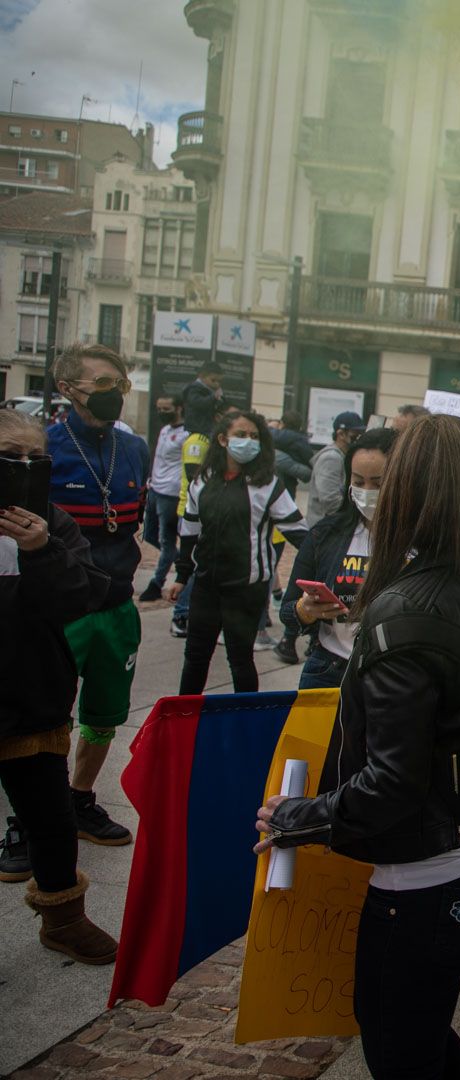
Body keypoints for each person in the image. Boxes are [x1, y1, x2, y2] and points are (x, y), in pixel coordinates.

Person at [256, 415, 460, 1080]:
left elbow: (393, 780)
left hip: (425, 878)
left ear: (409, 490)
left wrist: (298, 818)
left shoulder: (405, 608)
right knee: (424, 1035)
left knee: (401, 1048)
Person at [0, 410, 118, 964]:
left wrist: (41, 549)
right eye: (9, 456)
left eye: (33, 458)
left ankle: (63, 919)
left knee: (50, 820)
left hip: (33, 700)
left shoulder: (53, 523)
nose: (22, 467)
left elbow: (80, 596)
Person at [45, 343, 149, 846]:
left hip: (117, 606)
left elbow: (133, 522)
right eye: (104, 384)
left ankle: (80, 800)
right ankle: (30, 818)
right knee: (43, 718)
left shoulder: (133, 449)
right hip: (58, 611)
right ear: (68, 389)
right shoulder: (44, 449)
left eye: (121, 385)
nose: (115, 394)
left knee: (104, 714)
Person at [167, 410, 307, 694]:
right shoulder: (202, 480)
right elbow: (190, 532)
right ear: (222, 439)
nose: (248, 441)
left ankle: (246, 722)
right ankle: (184, 719)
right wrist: (182, 576)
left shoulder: (268, 484)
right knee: (195, 658)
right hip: (206, 585)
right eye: (241, 435)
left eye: (254, 436)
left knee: (241, 660)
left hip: (247, 588)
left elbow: (300, 534)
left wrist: (321, 568)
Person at [280, 428, 396, 688]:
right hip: (328, 671)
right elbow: (288, 611)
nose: (367, 491)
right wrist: (305, 610)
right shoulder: (325, 535)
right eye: (358, 481)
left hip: (391, 679)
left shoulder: (425, 541)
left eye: (378, 483)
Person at [137, 396, 187, 601]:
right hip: (155, 489)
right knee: (149, 535)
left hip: (171, 493)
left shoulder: (186, 434)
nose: (161, 412)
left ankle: (156, 583)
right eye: (159, 408)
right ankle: (179, 559)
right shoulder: (164, 430)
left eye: (166, 408)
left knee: (167, 540)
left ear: (178, 408)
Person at [305, 411, 366, 530]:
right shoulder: (331, 458)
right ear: (341, 434)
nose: (359, 437)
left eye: (361, 433)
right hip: (324, 529)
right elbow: (330, 501)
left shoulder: (343, 456)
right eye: (355, 433)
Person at [180, 359, 225, 436]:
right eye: (213, 380)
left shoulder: (211, 391)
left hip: (208, 427)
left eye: (219, 381)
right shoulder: (194, 388)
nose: (217, 384)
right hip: (196, 428)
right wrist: (214, 397)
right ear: (202, 376)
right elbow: (197, 403)